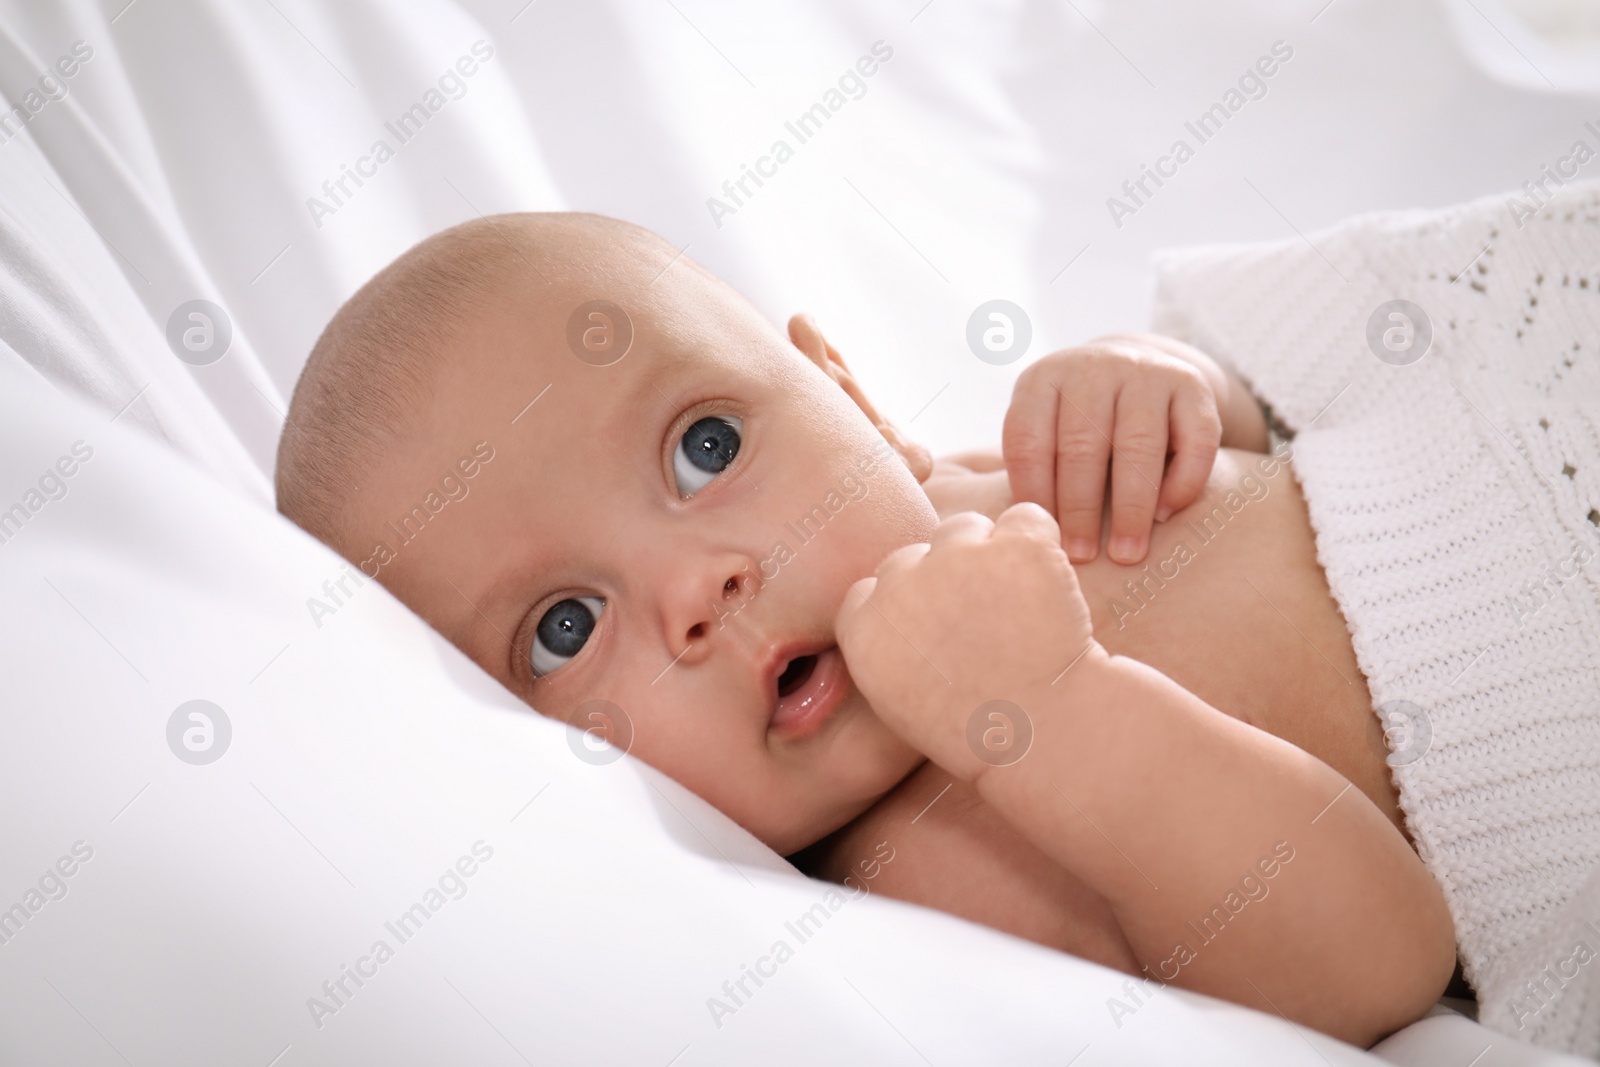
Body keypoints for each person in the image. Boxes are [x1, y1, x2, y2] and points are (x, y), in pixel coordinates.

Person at [275, 211, 1455, 1047]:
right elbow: (1376, 967)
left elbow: (1266, 429)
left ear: (853, 396)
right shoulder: (934, 878)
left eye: (707, 447)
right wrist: (1046, 707)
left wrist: (1161, 382)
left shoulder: (979, 484)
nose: (701, 588)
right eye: (564, 626)